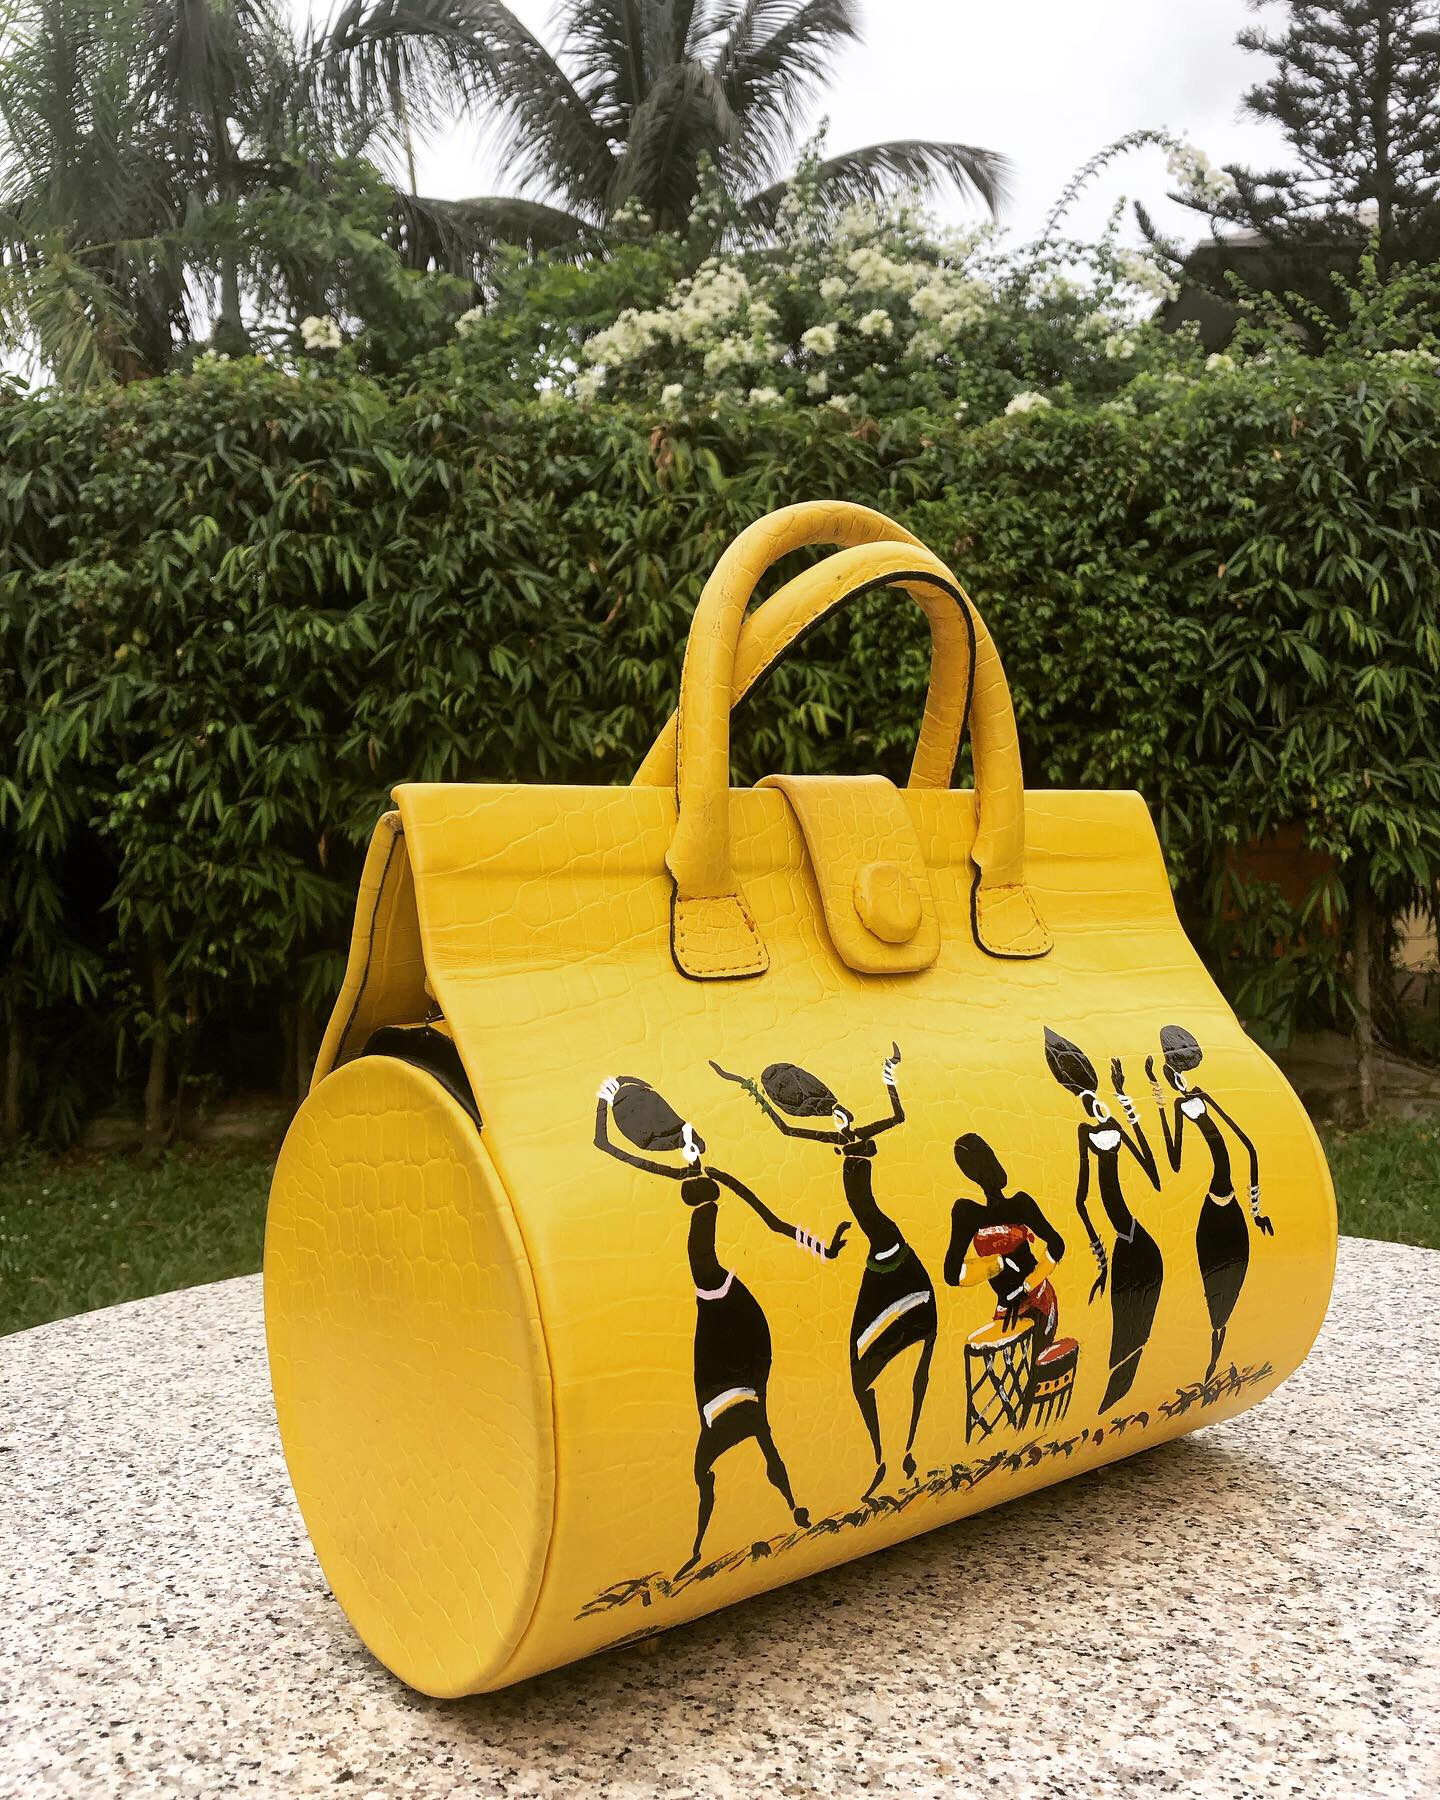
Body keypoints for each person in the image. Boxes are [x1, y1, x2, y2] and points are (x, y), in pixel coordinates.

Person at [594, 1075, 847, 1578]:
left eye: (692, 1138)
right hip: (709, 1307)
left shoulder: (717, 1177)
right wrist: (605, 1099)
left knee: (759, 1419)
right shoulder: (674, 1174)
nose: (689, 1145)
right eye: (683, 1139)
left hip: (733, 1303)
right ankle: (701, 1544)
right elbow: (605, 1146)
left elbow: (772, 1222)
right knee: (709, 1432)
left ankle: (792, 1504)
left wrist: (825, 1249)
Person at [711, 1044, 935, 1501]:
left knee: (912, 1356)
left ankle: (910, 1447)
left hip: (891, 1243)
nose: (840, 1119)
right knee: (860, 1365)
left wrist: (889, 1072)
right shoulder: (834, 1140)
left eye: (842, 1115)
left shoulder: (862, 1135)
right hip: (879, 1257)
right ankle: (881, 1459)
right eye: (834, 1117)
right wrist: (750, 1088)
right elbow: (787, 1128)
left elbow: (899, 1117)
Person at [1044, 1028, 1163, 1412]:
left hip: (1134, 1239)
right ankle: (1116, 1393)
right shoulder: (1087, 1131)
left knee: (1131, 1322)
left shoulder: (1105, 1128)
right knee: (1122, 1322)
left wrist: (1126, 1104)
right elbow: (1081, 1200)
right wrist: (1099, 1256)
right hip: (1122, 1241)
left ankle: (1121, 1392)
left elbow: (1151, 1171)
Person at [1147, 1024, 1273, 1382]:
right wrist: (1158, 1098)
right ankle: (1210, 1362)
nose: (1177, 1079)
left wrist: (1256, 1210)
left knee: (1230, 1279)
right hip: (1213, 1206)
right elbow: (1174, 1157)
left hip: (1229, 1204)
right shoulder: (1181, 1104)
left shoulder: (1199, 1095)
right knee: (1211, 1284)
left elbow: (1247, 1144)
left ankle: (1218, 1357)